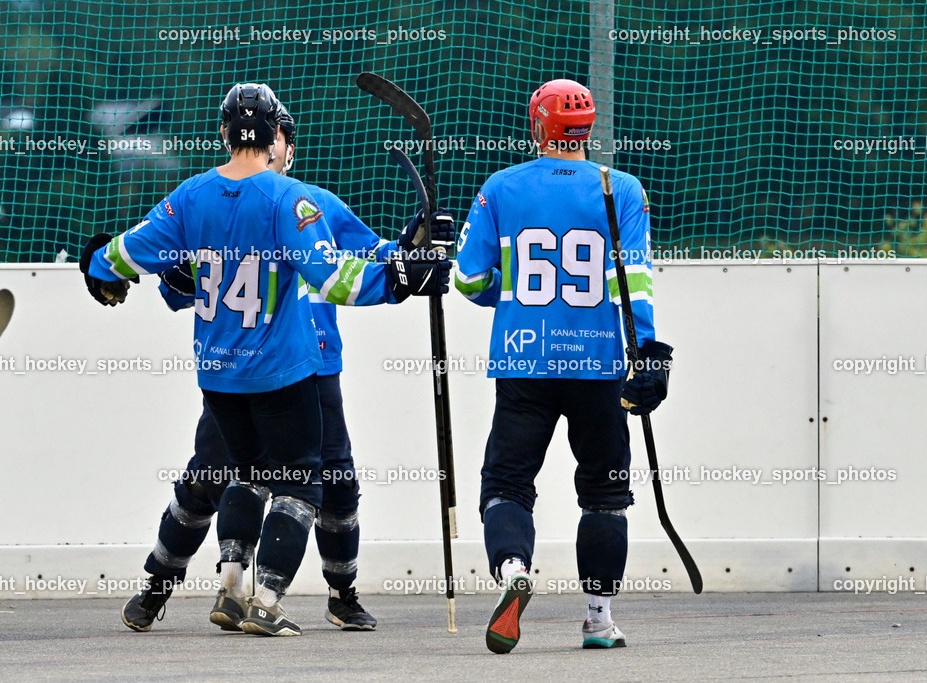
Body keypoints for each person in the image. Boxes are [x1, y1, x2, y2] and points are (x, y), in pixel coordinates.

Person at [80, 82, 451, 636]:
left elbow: (378, 254)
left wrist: (416, 239)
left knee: (322, 483)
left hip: (285, 369)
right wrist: (405, 277)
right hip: (283, 369)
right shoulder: (287, 202)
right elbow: (349, 276)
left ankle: (337, 594)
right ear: (273, 137)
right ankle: (188, 587)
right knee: (220, 479)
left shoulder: (289, 201)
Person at [453, 78, 673, 653]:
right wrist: (648, 352)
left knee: (506, 484)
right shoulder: (620, 188)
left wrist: (507, 292)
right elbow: (634, 281)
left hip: (522, 360)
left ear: (538, 126)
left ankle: (513, 569)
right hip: (598, 365)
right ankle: (599, 619)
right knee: (605, 491)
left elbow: (468, 280)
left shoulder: (501, 187)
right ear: (587, 128)